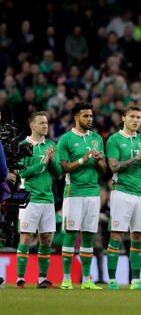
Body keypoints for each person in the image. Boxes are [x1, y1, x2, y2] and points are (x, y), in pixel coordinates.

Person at [57, 101, 107, 290]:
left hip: (93, 192)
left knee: (88, 236)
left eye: (91, 116)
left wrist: (98, 161)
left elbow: (104, 170)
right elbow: (63, 169)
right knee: (71, 235)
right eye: (85, 116)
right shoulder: (66, 139)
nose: (89, 119)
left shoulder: (96, 138)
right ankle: (67, 279)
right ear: (76, 117)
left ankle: (86, 279)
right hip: (74, 192)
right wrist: (82, 159)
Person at [105, 105, 141, 290]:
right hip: (122, 192)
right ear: (123, 118)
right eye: (132, 116)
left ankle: (135, 281)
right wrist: (137, 157)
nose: (136, 120)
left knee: (139, 236)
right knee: (116, 235)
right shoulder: (114, 140)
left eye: (139, 117)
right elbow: (114, 167)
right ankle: (112, 280)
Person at [16, 111, 62, 289]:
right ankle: (20, 279)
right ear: (32, 126)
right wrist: (42, 163)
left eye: (46, 122)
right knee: (26, 237)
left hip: (48, 199)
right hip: (30, 198)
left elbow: (58, 173)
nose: (45, 125)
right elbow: (22, 173)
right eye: (41, 123)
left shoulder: (51, 145)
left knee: (47, 239)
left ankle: (42, 279)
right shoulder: (23, 146)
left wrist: (51, 162)